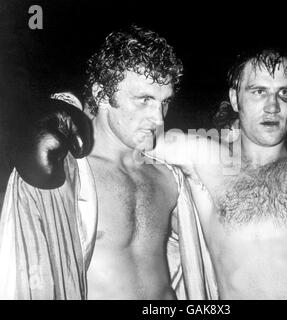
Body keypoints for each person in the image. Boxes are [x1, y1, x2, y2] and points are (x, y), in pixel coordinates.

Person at [0, 26, 217, 300]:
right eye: (145, 100)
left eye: (164, 102)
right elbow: (27, 256)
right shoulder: (68, 177)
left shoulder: (171, 176)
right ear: (102, 95)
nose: (159, 119)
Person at [150, 49, 287, 299]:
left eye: (284, 93)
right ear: (235, 99)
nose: (273, 107)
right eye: (259, 92)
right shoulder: (206, 159)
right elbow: (132, 135)